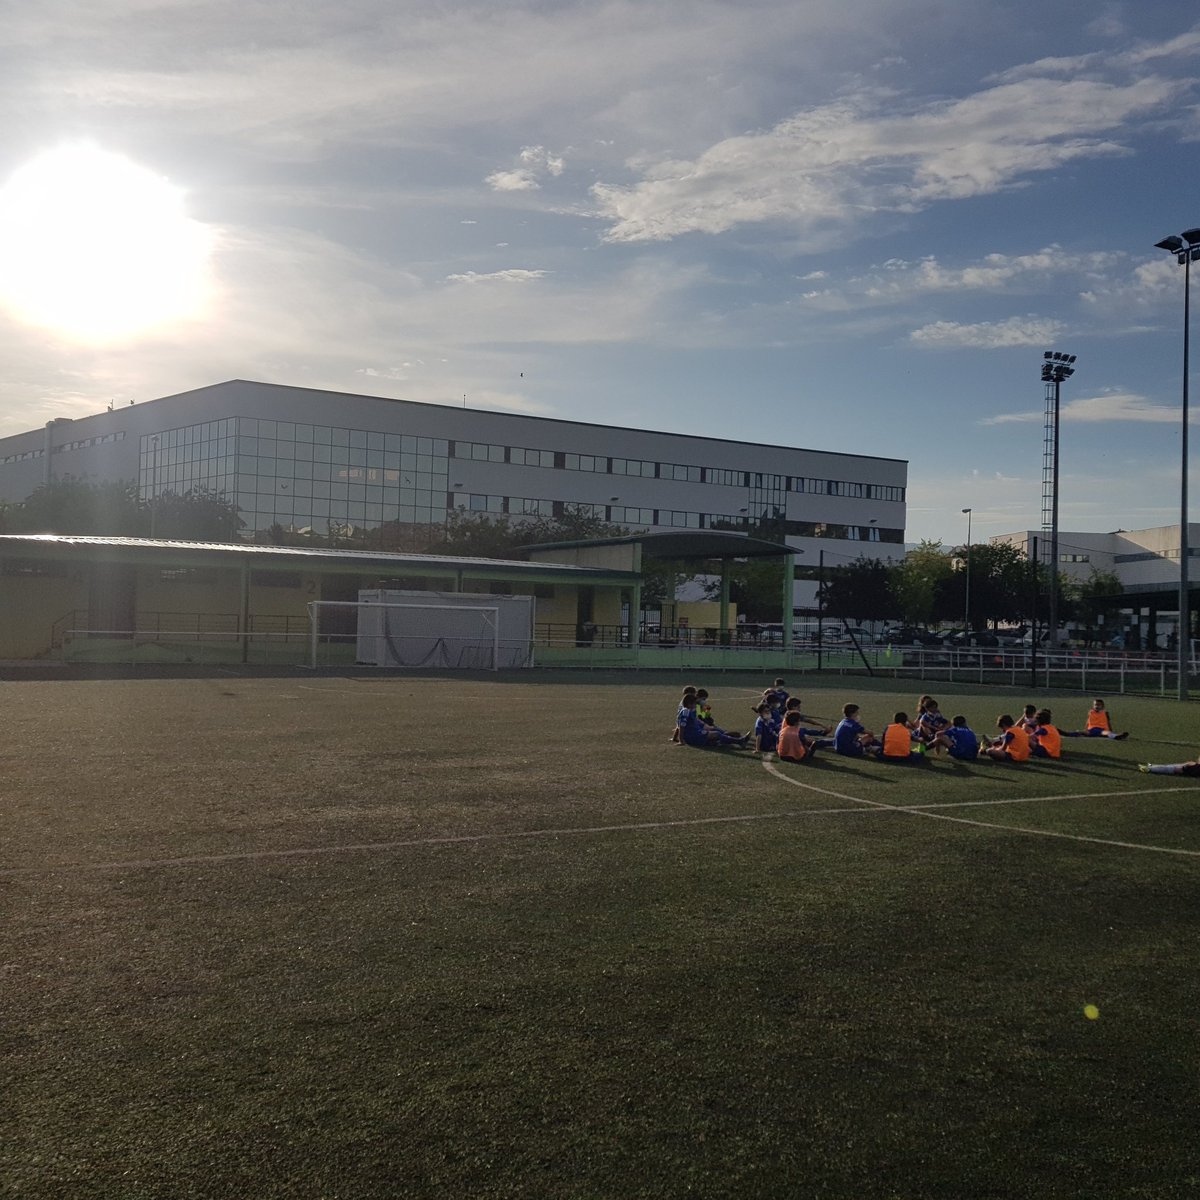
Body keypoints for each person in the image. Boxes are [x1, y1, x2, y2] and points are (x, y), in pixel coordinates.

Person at [676, 694, 749, 748]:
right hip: (693, 736)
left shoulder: (690, 710)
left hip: (696, 733)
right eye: (694, 703)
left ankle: (726, 737)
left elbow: (694, 720)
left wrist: (703, 724)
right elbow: (681, 726)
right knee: (716, 734)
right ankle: (739, 741)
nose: (696, 705)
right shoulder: (685, 711)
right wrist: (681, 740)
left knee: (714, 731)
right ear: (689, 703)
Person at [1062, 698, 1129, 740]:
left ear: (1102, 706)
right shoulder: (1091, 712)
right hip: (1091, 729)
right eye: (1095, 705)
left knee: (1107, 733)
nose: (1096, 706)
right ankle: (1066, 734)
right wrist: (1085, 728)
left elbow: (1108, 722)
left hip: (1102, 730)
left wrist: (1111, 730)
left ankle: (1117, 736)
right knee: (1080, 732)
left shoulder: (1105, 713)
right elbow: (1088, 721)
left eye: (1098, 705)